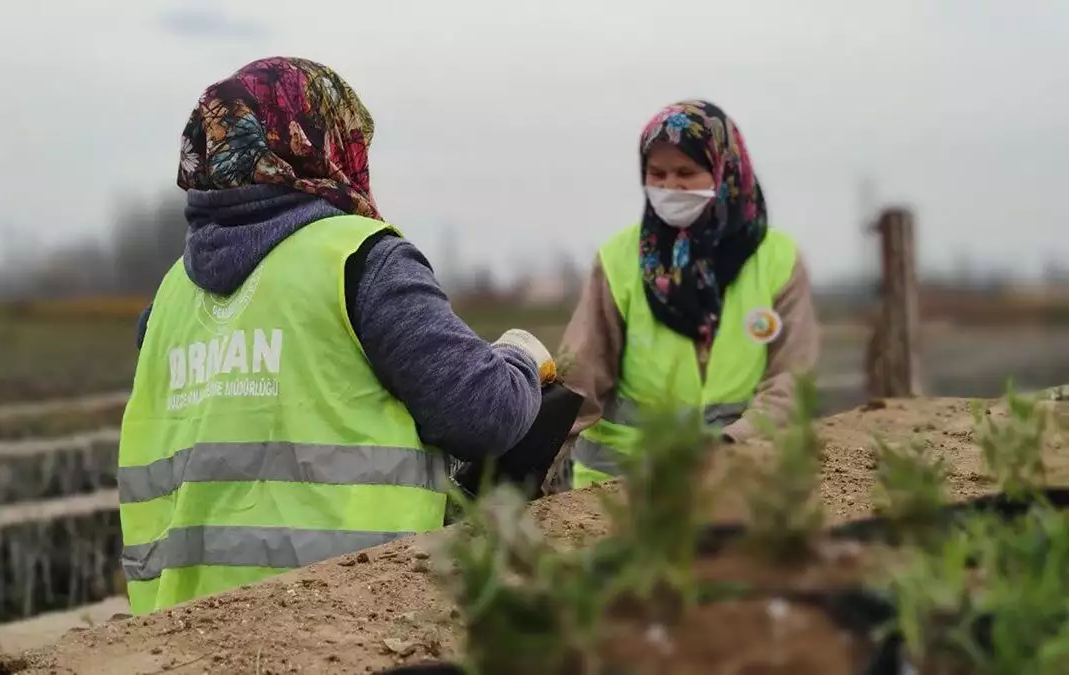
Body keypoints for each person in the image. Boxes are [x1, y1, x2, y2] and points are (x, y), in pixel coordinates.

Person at [118, 56, 556, 615]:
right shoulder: (360, 258)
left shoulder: (168, 299)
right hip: (340, 622)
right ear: (322, 141)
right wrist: (520, 359)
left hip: (187, 630)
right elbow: (480, 411)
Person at [551, 100, 820, 490]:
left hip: (734, 477)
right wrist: (534, 457)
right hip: (617, 489)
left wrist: (731, 441)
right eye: (656, 174)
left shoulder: (777, 261)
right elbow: (579, 376)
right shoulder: (619, 260)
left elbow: (791, 380)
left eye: (686, 173)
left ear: (725, 171)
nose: (669, 187)